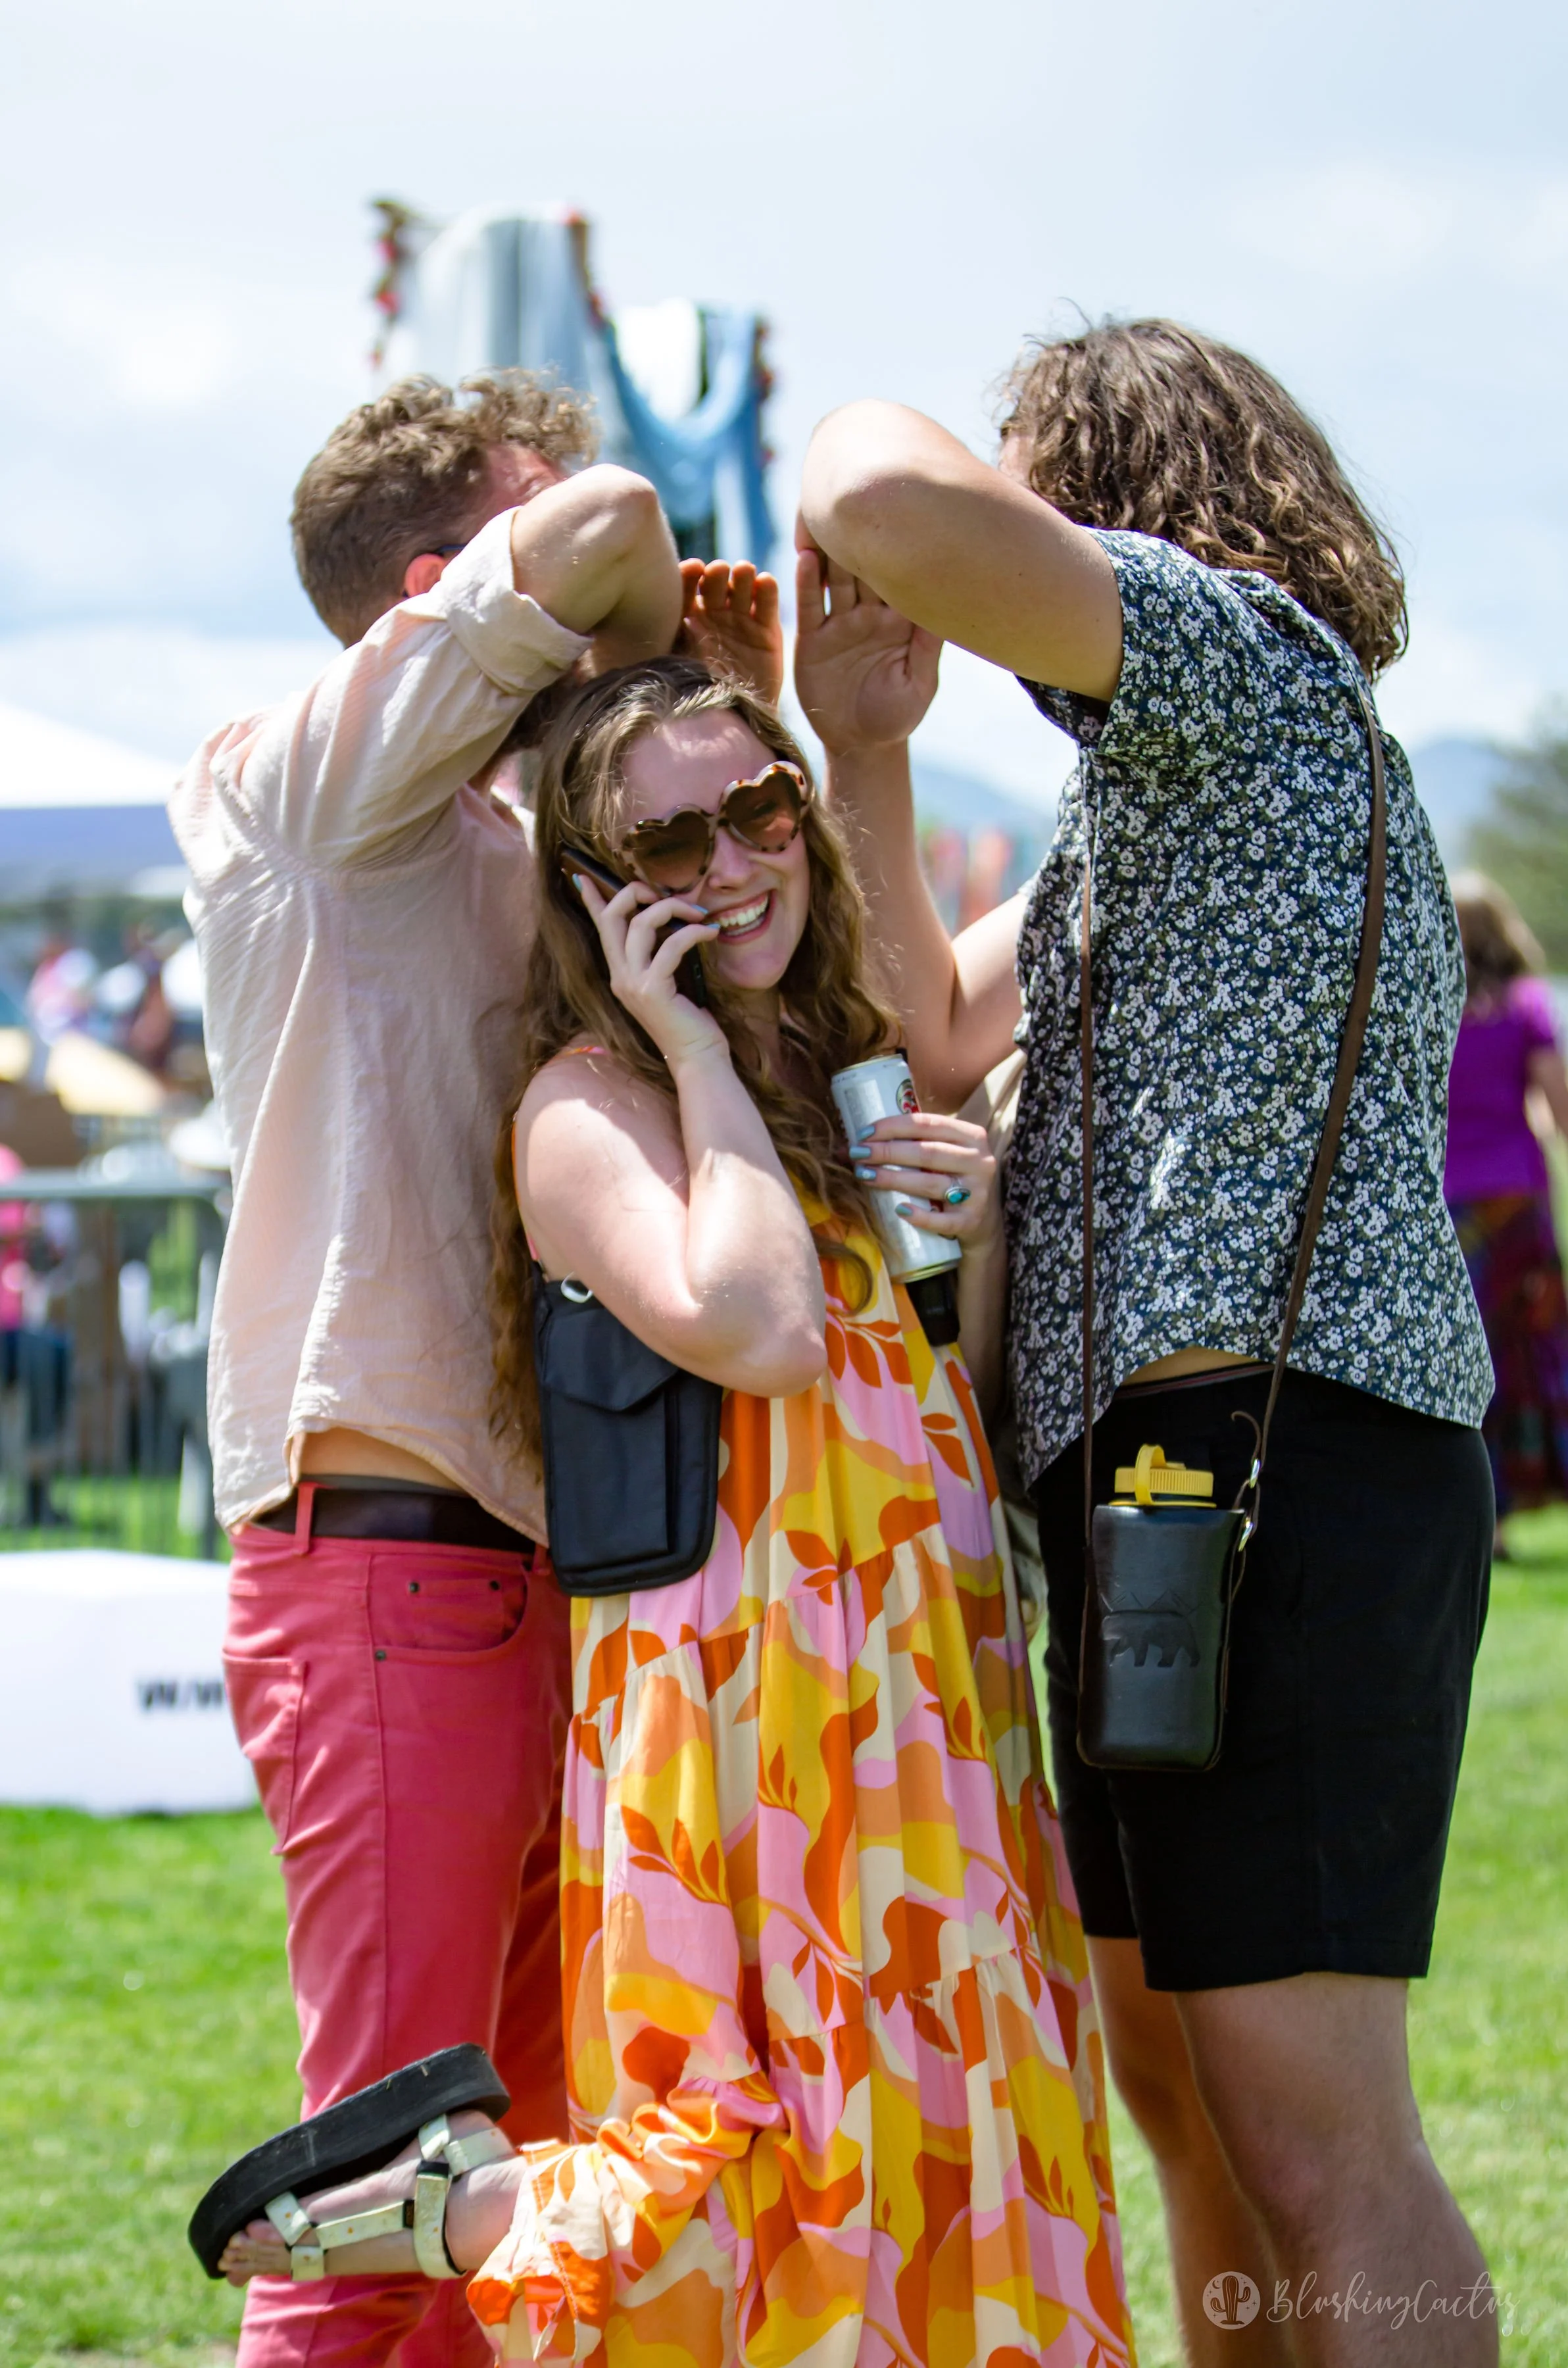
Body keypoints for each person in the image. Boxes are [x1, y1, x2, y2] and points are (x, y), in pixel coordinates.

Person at [212, 653, 1135, 2368]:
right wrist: (694, 1049)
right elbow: (765, 1332)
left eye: (761, 808)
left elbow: (943, 1404)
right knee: (753, 2133)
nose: (735, 860)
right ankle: (458, 2202)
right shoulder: (587, 1109)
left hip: (922, 1684)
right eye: (671, 842)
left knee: (953, 2101)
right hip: (735, 1700)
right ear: (600, 894)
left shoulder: (845, 1085)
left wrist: (979, 1224)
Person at [793, 319, 1499, 2367]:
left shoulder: (1233, 653)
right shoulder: (1149, 785)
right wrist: (865, 748)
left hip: (1289, 1463)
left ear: (1109, 493)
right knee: (1183, 2102)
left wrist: (896, 482)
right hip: (1161, 1492)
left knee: (1308, 2136)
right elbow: (928, 1026)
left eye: (1034, 489)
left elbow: (872, 494)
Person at [170, 371, 780, 2368]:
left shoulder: (515, 827)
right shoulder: (295, 773)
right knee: (386, 2206)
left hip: (525, 1569)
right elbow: (608, 512)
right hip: (385, 1555)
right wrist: (641, 631)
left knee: (508, 2215)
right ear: (444, 590)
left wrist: (729, 717)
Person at [1446, 874, 1568, 1550]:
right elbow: (1560, 1102)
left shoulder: (1431, 1005)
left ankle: (1487, 1513)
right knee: (1535, 1345)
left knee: (1473, 1355)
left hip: (1449, 1207)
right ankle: (1548, 1485)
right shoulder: (1528, 1006)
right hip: (1518, 1202)